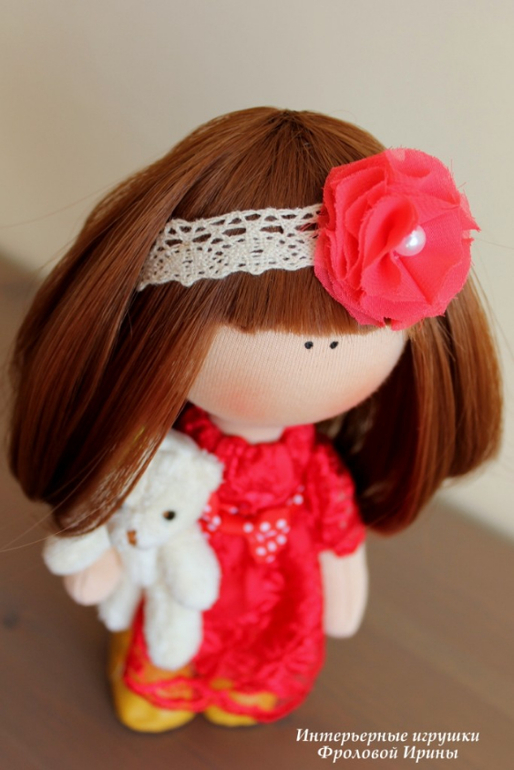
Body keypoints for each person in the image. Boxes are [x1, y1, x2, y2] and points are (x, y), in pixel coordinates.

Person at [9, 107, 502, 730]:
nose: (311, 363)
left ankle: (242, 683)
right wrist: (100, 559)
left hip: (278, 589)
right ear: (156, 322)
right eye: (251, 332)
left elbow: (338, 539)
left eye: (341, 340)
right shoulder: (162, 454)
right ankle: (163, 678)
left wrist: (342, 594)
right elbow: (120, 499)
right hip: (176, 581)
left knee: (264, 648)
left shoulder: (312, 470)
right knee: (167, 620)